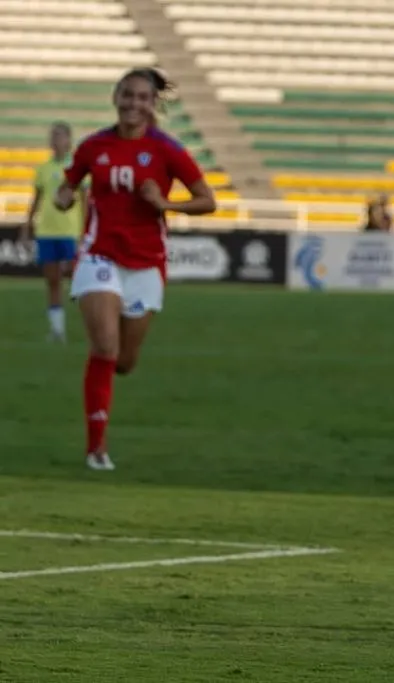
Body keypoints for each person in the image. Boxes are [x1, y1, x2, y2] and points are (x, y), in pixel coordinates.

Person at [55, 67, 216, 471]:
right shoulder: (94, 146)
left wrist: (165, 205)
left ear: (152, 104)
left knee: (124, 361)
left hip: (146, 263)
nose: (133, 103)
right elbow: (69, 185)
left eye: (142, 97)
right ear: (115, 97)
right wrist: (63, 197)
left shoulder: (167, 149)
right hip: (99, 254)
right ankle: (96, 449)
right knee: (105, 347)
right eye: (127, 95)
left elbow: (206, 199)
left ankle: (101, 416)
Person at [19, 122, 85, 342]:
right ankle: (57, 330)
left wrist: (85, 232)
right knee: (53, 281)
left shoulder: (77, 169)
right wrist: (27, 228)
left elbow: (86, 203)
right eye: (52, 136)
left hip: (70, 232)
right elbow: (36, 201)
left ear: (68, 140)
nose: (54, 140)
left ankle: (94, 322)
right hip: (46, 232)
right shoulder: (43, 169)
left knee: (79, 280)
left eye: (59, 136)